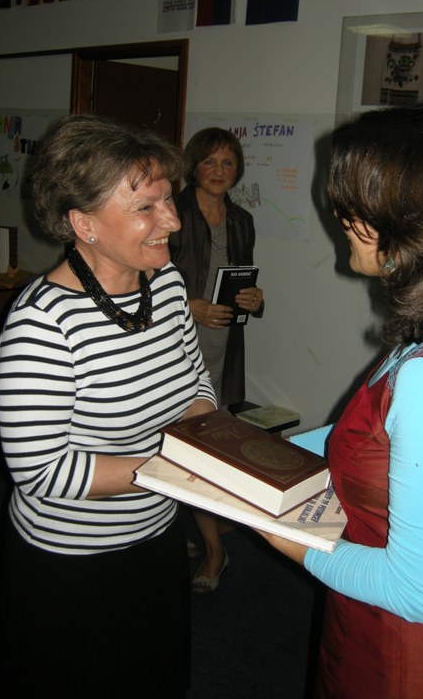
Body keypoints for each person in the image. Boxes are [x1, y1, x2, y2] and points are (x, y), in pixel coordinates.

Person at [260, 103, 423, 698]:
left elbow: (415, 592)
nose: (339, 217)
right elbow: (373, 440)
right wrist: (253, 455)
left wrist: (284, 536)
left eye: (353, 204)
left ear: (409, 220)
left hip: (400, 659)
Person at [0, 114, 216, 698]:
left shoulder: (166, 284)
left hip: (157, 535)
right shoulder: (42, 325)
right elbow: (41, 471)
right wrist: (178, 470)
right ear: (84, 224)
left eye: (168, 200)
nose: (172, 219)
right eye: (146, 207)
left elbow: (196, 382)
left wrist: (216, 448)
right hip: (71, 560)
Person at [169, 127, 264, 593]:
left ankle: (210, 545)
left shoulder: (242, 220)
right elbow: (141, 283)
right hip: (173, 347)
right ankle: (210, 544)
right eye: (209, 161)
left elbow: (243, 282)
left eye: (228, 163)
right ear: (194, 165)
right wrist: (189, 306)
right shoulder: (170, 213)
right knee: (181, 448)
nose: (218, 171)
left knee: (202, 450)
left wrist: (256, 299)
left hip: (224, 348)